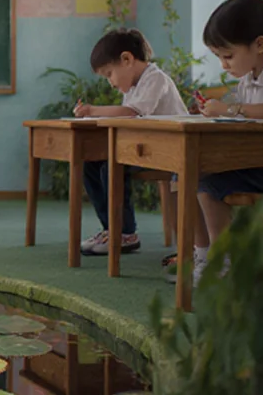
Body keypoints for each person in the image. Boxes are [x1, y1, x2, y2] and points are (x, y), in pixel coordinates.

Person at [189, 0, 263, 283]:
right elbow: (243, 116)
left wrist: (231, 108)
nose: (224, 65)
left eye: (228, 56)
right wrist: (212, 111)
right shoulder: (248, 79)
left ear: (260, 44)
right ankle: (207, 254)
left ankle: (222, 258)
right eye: (219, 57)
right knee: (188, 173)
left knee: (206, 181)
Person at [72, 28, 186, 255]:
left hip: (170, 149)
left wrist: (93, 110)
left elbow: (133, 113)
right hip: (145, 148)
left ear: (127, 60)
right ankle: (111, 228)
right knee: (92, 163)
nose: (111, 83)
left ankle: (126, 233)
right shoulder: (135, 86)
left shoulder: (155, 78)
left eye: (109, 74)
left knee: (111, 167)